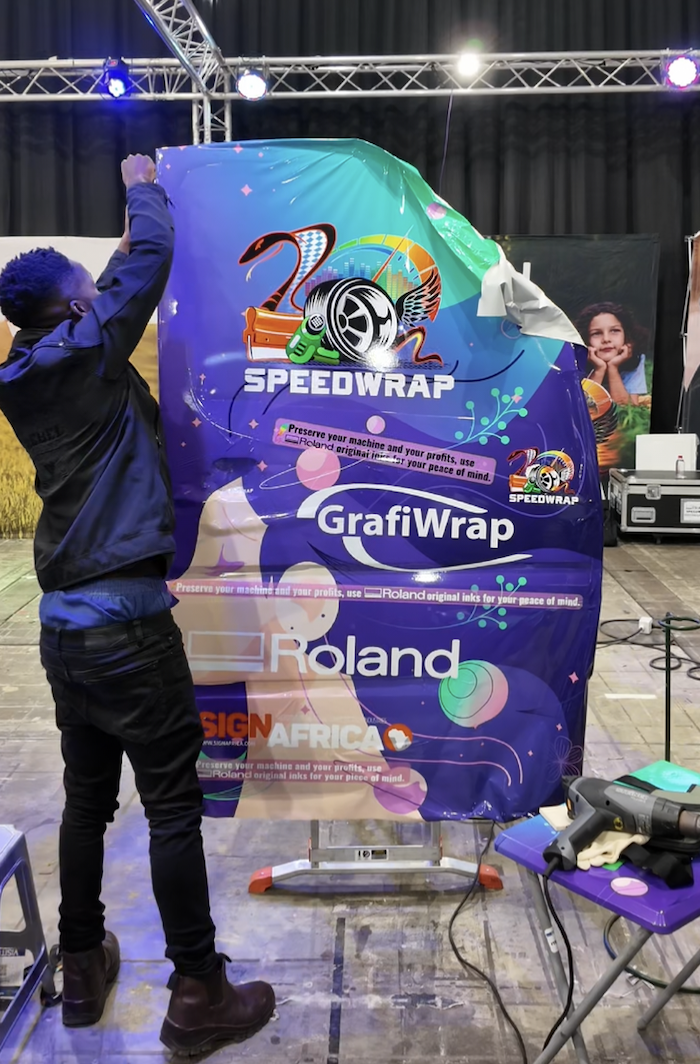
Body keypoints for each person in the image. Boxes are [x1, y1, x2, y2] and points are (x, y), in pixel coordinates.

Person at [0, 155, 275, 1056]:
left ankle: (81, 967)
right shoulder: (87, 349)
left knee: (87, 802)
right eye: (90, 289)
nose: (101, 293)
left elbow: (112, 284)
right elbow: (146, 263)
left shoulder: (32, 368)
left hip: (64, 631)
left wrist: (110, 260)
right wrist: (144, 186)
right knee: (170, 809)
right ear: (74, 307)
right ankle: (198, 992)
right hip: (127, 628)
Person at [577, 301, 650, 407]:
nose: (606, 339)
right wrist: (599, 369)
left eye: (614, 331)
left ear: (626, 334)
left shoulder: (635, 357)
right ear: (586, 339)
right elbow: (581, 407)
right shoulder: (576, 360)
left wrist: (613, 368)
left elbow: (627, 407)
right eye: (596, 333)